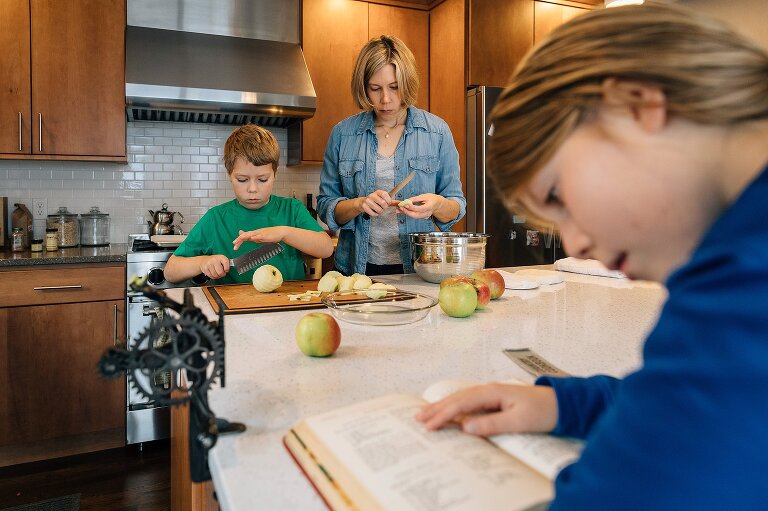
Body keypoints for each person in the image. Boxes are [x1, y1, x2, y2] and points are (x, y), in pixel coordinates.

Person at [416, 4, 768, 510]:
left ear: (636, 103)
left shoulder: (736, 286)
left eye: (557, 194)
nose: (576, 245)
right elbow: (707, 401)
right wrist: (567, 401)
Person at [317, 35, 466, 276]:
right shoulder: (343, 134)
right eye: (375, 89)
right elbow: (325, 207)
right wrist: (358, 204)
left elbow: (456, 205)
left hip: (420, 269)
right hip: (356, 269)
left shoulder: (437, 132)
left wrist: (437, 204)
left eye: (394, 87)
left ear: (407, 83)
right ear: (363, 87)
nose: (385, 99)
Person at [165, 124, 333, 284]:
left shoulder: (292, 209)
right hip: (233, 309)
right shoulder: (215, 219)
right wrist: (202, 262)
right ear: (229, 175)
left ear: (275, 174)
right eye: (242, 180)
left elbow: (326, 248)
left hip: (287, 305)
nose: (253, 189)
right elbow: (170, 272)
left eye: (262, 179)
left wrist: (283, 233)